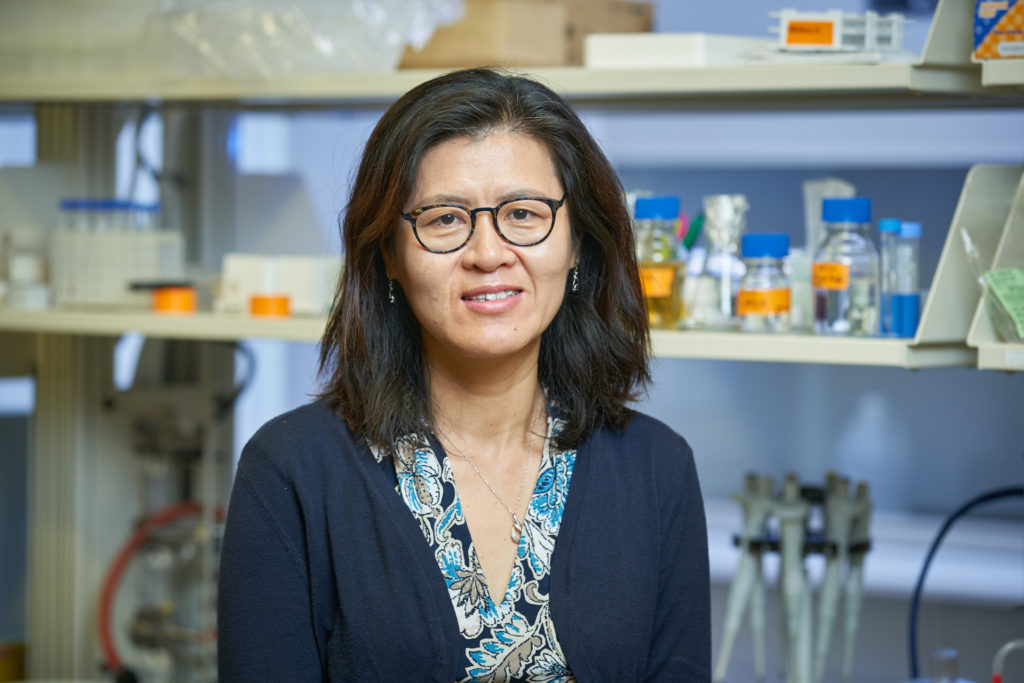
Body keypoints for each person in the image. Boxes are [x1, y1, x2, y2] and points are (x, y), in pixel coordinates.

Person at [218, 67, 710, 681]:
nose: (488, 253)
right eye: (445, 218)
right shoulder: (290, 469)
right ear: (388, 255)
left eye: (524, 213)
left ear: (578, 242)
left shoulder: (658, 468)